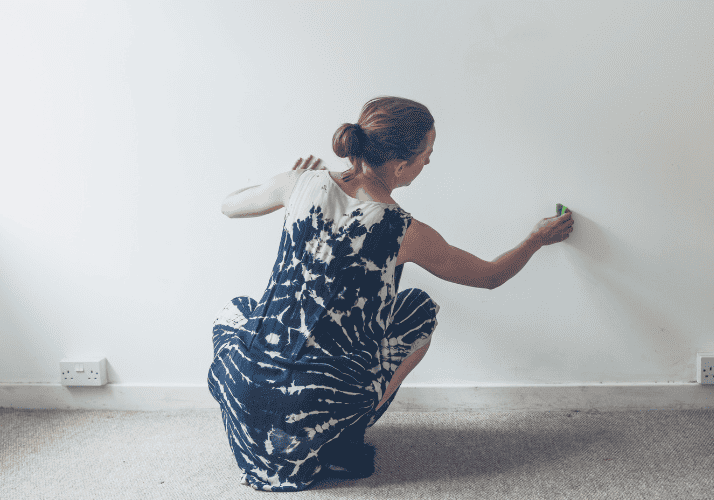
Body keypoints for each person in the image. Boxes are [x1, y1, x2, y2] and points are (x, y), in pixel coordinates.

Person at [208, 96, 574, 492]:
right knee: (418, 308)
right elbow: (490, 276)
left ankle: (279, 424)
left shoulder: (298, 183)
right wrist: (536, 239)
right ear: (401, 166)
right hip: (317, 410)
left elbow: (229, 206)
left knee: (239, 309)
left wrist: (285, 180)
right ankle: (346, 433)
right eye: (427, 154)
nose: (428, 162)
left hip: (249, 400)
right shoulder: (404, 230)